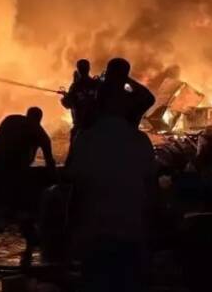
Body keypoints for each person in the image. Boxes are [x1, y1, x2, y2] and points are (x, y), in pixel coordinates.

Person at [66, 81, 158, 291]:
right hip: (131, 234)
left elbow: (76, 191)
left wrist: (70, 233)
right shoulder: (140, 141)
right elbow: (153, 193)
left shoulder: (85, 139)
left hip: (95, 236)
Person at [0, 106, 56, 259]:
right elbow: (49, 161)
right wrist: (55, 179)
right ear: (39, 119)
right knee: (23, 206)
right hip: (17, 170)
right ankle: (30, 241)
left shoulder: (11, 119)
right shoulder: (39, 132)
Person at [99, 57, 156, 127]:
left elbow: (149, 99)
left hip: (111, 128)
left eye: (109, 70)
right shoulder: (124, 88)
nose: (107, 72)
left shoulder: (124, 87)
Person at [61, 59, 99, 141]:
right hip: (96, 125)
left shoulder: (75, 86)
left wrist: (64, 97)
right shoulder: (96, 84)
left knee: (75, 150)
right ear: (89, 68)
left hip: (80, 126)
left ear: (78, 69)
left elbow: (67, 104)